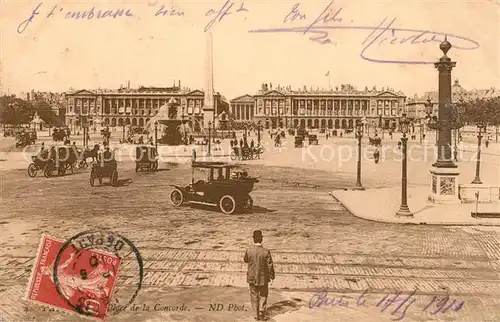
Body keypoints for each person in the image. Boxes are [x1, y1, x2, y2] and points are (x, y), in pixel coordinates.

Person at [244, 230, 275, 321]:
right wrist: (272, 275)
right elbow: (270, 265)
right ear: (261, 239)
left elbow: (245, 260)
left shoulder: (249, 250)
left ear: (253, 239)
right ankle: (261, 310)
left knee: (254, 295)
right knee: (263, 294)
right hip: (263, 278)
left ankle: (255, 314)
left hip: (252, 277)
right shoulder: (266, 251)